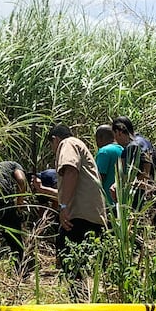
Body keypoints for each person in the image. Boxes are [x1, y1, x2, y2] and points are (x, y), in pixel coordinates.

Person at [32, 125, 107, 300]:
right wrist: (43, 189)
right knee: (83, 269)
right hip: (91, 216)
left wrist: (64, 208)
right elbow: (68, 189)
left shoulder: (67, 143)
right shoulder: (79, 146)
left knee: (71, 266)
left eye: (51, 146)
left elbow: (71, 172)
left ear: (55, 140)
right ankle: (84, 310)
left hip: (79, 218)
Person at [93, 124, 124, 207]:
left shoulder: (104, 151)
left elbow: (99, 177)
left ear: (99, 138)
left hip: (107, 202)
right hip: (121, 201)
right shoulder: (122, 149)